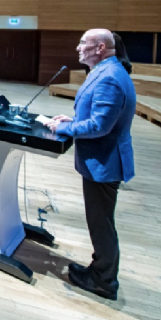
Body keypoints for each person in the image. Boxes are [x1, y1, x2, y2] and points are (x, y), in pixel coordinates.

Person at [43, 29, 136, 301]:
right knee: (100, 222)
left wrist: (65, 127)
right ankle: (100, 271)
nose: (77, 47)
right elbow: (96, 115)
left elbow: (99, 126)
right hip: (103, 159)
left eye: (83, 43)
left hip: (105, 162)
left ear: (100, 47)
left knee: (101, 224)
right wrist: (71, 120)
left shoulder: (109, 78)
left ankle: (103, 281)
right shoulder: (108, 71)